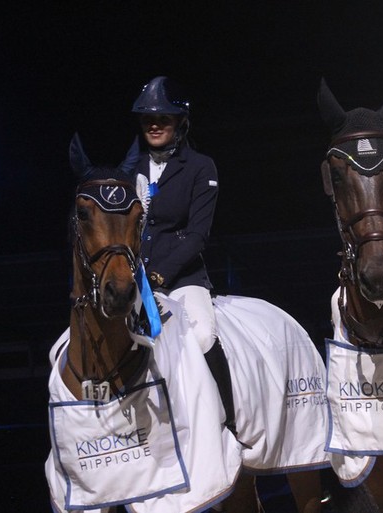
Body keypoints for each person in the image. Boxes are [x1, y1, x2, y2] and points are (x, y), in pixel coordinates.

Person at [130, 76, 238, 436]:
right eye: (148, 118)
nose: (155, 124)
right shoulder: (131, 170)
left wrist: (159, 275)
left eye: (164, 117)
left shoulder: (199, 167)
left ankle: (228, 421)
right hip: (134, 280)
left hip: (183, 278)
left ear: (180, 122)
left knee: (204, 336)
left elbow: (197, 236)